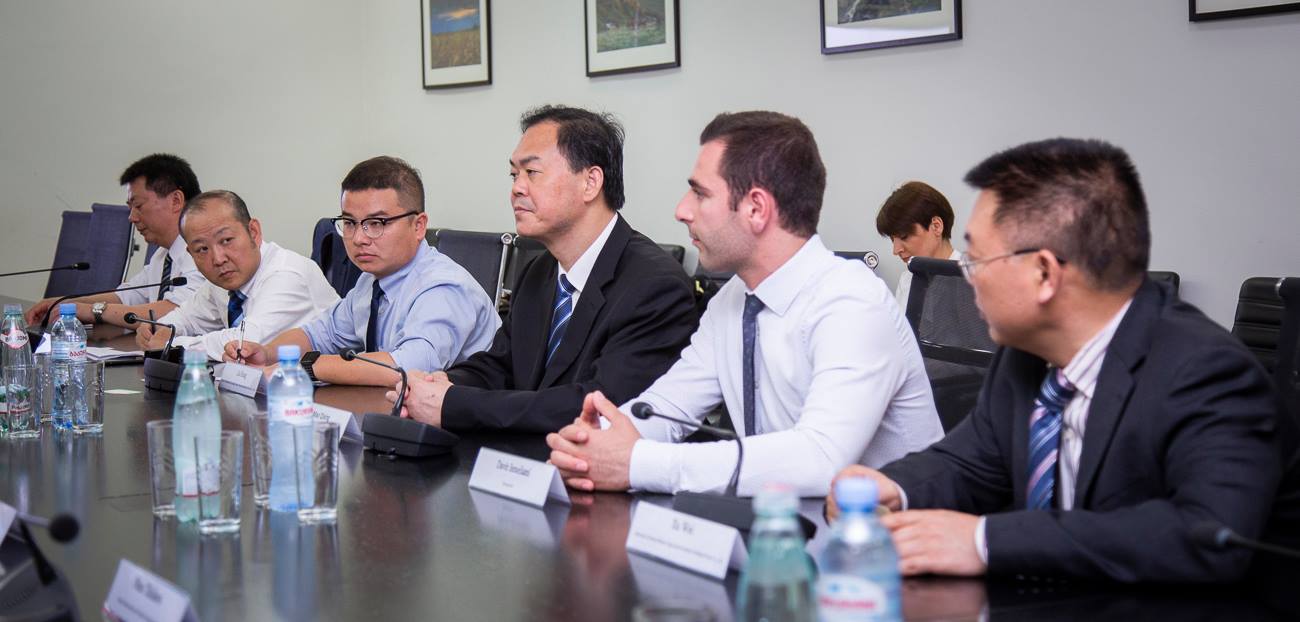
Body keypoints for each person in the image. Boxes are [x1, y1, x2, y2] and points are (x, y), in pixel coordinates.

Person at [826, 137, 1300, 583]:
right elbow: (972, 461)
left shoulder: (1209, 374)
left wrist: (985, 541)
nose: (967, 279)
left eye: (976, 261)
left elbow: (1206, 536)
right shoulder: (1024, 358)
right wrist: (892, 486)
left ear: (1044, 274)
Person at [545, 111, 943, 496]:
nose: (682, 210)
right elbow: (667, 407)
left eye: (700, 193)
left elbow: (820, 459)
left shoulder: (852, 302)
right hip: (782, 525)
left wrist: (638, 463)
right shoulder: (734, 301)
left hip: (887, 535)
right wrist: (594, 443)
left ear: (756, 208)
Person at [388, 105, 697, 433]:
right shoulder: (539, 271)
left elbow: (596, 407)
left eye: (532, 172)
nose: (516, 188)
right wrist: (438, 385)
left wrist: (453, 404)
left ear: (590, 182)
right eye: (514, 175)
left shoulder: (655, 286)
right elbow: (500, 367)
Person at [220, 156, 498, 386]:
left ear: (418, 226)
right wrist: (267, 353)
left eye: (376, 223)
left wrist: (307, 367)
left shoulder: (443, 287)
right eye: (350, 223)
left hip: (471, 428)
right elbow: (320, 334)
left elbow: (407, 367)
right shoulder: (370, 282)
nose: (359, 238)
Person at [137, 190, 338, 359]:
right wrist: (158, 329)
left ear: (254, 232)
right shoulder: (222, 281)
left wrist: (171, 344)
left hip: (326, 389)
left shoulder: (287, 274)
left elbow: (245, 343)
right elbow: (187, 317)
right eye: (202, 249)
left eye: (226, 240)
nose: (218, 259)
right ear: (191, 254)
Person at [25, 154, 206, 328]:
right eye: (130, 208)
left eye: (138, 206)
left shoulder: (202, 252)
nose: (132, 217)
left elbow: (175, 312)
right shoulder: (163, 255)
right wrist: (64, 303)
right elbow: (126, 296)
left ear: (176, 200)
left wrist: (94, 311)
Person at [875, 181, 959, 309]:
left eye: (904, 236)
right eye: (893, 240)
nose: (896, 250)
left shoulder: (973, 281)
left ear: (936, 226)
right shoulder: (907, 280)